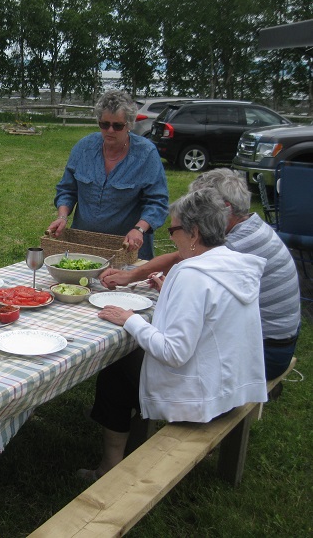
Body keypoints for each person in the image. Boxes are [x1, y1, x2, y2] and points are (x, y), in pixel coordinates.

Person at [79, 189, 268, 482]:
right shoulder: (235, 264)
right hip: (232, 382)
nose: (171, 237)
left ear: (194, 233)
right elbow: (211, 317)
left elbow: (174, 353)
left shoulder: (193, 275)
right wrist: (170, 293)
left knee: (116, 367)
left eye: (173, 229)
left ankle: (109, 469)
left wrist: (129, 319)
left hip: (202, 394)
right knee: (130, 361)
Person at [100, 168, 300, 381]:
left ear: (223, 209)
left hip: (262, 353)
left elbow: (174, 351)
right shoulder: (250, 226)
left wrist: (136, 307)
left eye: (199, 204)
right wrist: (139, 278)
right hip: (272, 341)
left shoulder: (230, 247)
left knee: (132, 355)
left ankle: (122, 410)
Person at [47, 90, 169, 260]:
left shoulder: (146, 153)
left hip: (127, 247)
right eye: (104, 124)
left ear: (129, 125)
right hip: (83, 246)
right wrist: (62, 216)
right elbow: (67, 190)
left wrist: (139, 229)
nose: (110, 130)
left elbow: (158, 201)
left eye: (117, 126)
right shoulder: (84, 147)